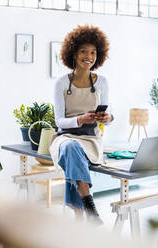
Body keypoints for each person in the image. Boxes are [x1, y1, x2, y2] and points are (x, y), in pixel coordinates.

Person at [49, 24, 113, 225]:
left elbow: (109, 117)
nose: (89, 56)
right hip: (66, 137)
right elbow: (59, 121)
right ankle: (88, 202)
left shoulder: (102, 82)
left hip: (91, 139)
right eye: (84, 51)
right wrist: (79, 119)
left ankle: (79, 217)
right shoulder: (61, 83)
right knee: (70, 147)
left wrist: (107, 118)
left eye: (93, 52)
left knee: (72, 155)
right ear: (73, 53)